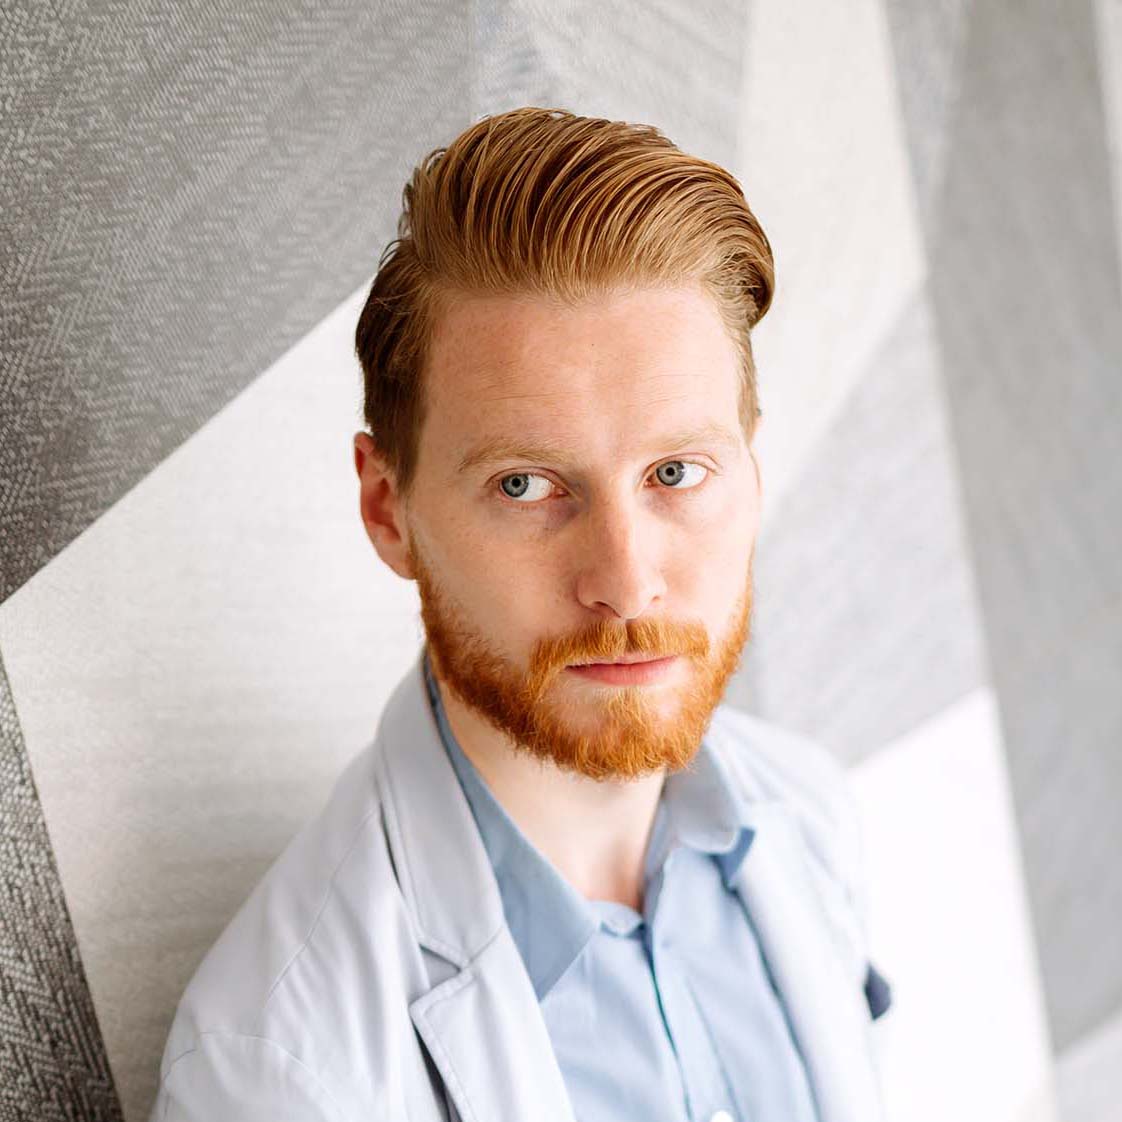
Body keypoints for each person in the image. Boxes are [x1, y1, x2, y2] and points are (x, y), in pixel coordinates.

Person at [149, 106, 892, 1122]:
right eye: (526, 486)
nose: (626, 583)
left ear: (752, 469)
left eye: (677, 471)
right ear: (389, 510)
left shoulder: (811, 816)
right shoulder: (278, 1067)